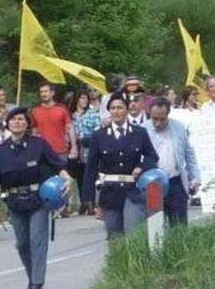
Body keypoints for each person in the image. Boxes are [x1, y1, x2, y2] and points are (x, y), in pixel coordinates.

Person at [0, 108, 71, 289]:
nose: (17, 122)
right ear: (7, 124)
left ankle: (37, 282)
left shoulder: (38, 144)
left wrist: (67, 179)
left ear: (27, 123)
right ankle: (32, 276)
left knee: (37, 240)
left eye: (21, 119)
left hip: (37, 199)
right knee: (22, 244)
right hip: (15, 202)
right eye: (13, 119)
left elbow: (57, 165)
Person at [83, 93, 159, 239]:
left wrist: (141, 167)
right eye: (113, 108)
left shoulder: (139, 133)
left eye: (120, 107)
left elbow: (152, 156)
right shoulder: (99, 135)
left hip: (132, 191)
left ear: (126, 110)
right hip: (110, 193)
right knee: (114, 238)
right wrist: (89, 198)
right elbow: (91, 167)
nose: (116, 111)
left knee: (133, 236)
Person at [142, 97, 200, 226]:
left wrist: (194, 177)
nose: (158, 123)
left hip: (175, 182)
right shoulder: (142, 130)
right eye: (155, 119)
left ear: (168, 114)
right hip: (152, 184)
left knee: (179, 227)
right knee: (155, 227)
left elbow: (189, 154)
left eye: (162, 119)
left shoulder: (179, 127)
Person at [30, 83, 79, 216]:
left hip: (60, 150)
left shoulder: (61, 110)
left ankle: (64, 206)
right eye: (41, 92)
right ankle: (47, 204)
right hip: (42, 153)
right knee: (45, 178)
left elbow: (70, 128)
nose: (44, 94)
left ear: (52, 93)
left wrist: (74, 146)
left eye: (46, 91)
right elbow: (34, 132)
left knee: (63, 179)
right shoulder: (35, 111)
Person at [70, 90, 101, 215]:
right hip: (76, 146)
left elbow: (98, 129)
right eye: (81, 98)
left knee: (90, 173)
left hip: (89, 145)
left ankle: (90, 202)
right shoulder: (72, 115)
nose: (84, 101)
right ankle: (83, 201)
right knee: (79, 174)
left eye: (86, 98)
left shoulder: (92, 113)